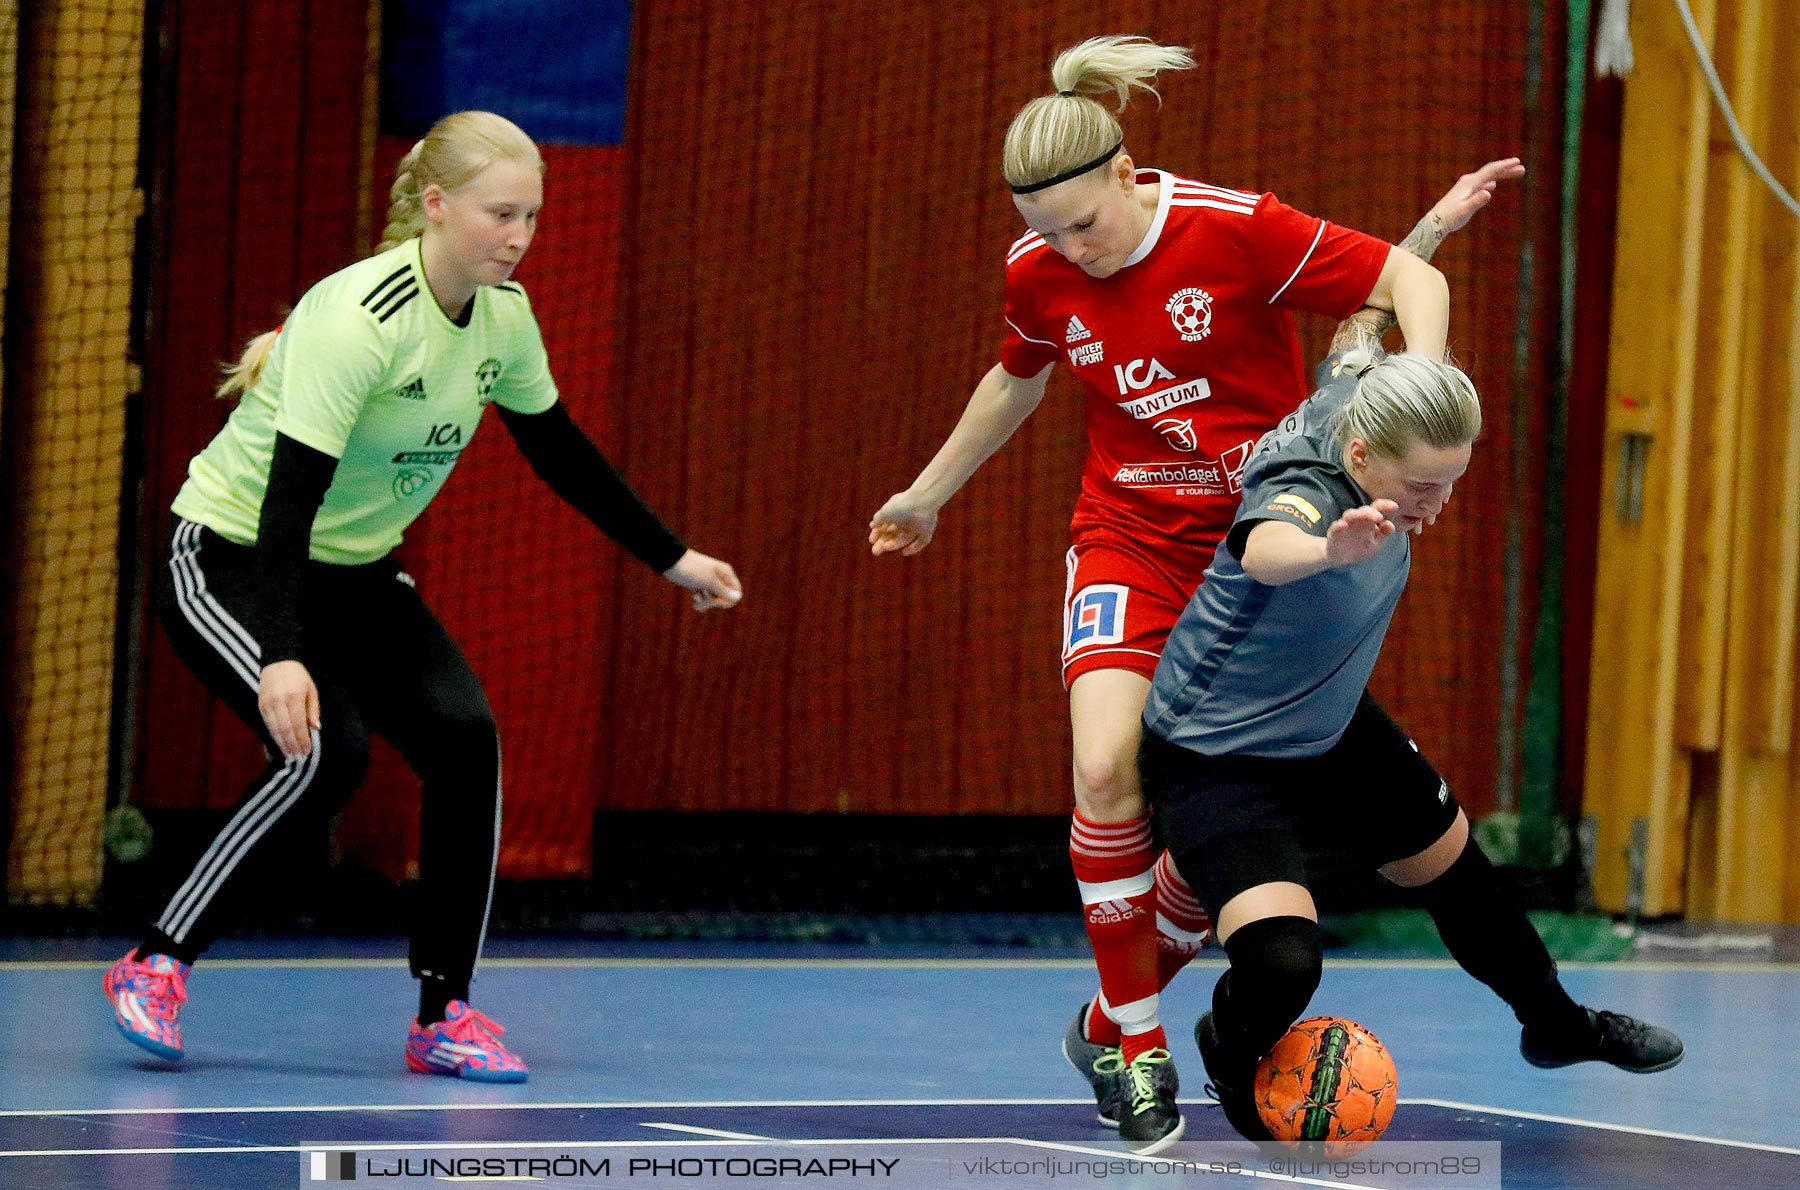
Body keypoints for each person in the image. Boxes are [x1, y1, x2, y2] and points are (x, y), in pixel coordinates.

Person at [867, 33, 1501, 1150]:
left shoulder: (1232, 227)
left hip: (1259, 563)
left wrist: (1420, 382)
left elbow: (1412, 278)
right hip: (1127, 542)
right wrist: (926, 492)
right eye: (1044, 232)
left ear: (1125, 172)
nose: (1071, 250)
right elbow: (1014, 381)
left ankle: (1112, 1008)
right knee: (1105, 767)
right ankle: (1143, 1047)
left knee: (1216, 835)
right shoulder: (1041, 271)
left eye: (1084, 222)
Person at [103, 110, 742, 1082]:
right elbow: (289, 502)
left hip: (354, 567)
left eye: (531, 214)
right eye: (499, 213)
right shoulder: (357, 319)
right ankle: (156, 959)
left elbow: (559, 450)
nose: (519, 235)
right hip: (233, 555)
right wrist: (280, 653)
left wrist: (673, 556)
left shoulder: (504, 319)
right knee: (324, 752)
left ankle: (444, 1011)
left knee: (463, 735)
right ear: (436, 207)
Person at [1137, 340, 1684, 1143]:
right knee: (1285, 965)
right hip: (1218, 753)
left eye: (1453, 481)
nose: (1437, 503)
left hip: (1329, 723)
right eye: (1423, 485)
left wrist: (1440, 224)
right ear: (1360, 456)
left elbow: (1383, 301)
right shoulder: (1307, 492)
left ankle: (1557, 1026)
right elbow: (1263, 548)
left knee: (1465, 880)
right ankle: (1229, 1043)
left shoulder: (1359, 393)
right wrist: (1330, 549)